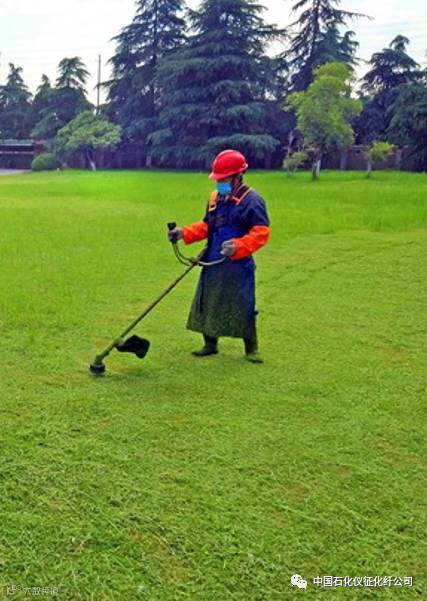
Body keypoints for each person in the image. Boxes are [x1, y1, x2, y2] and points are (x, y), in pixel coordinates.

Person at [168, 149, 270, 363]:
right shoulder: (215, 198)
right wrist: (183, 233)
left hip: (238, 263)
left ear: (238, 177)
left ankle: (251, 348)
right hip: (213, 258)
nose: (219, 183)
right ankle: (210, 344)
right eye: (218, 179)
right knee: (208, 300)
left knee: (243, 303)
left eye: (223, 179)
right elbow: (207, 226)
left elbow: (261, 232)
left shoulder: (252, 200)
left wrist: (239, 246)